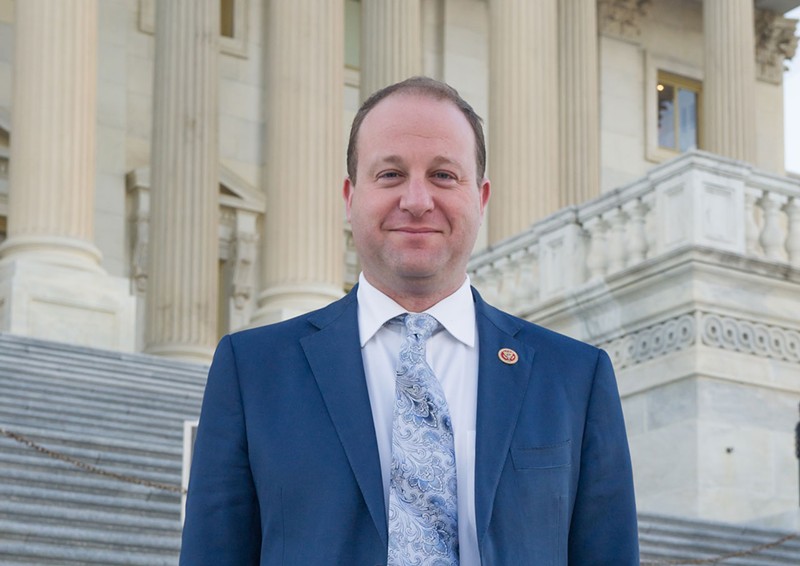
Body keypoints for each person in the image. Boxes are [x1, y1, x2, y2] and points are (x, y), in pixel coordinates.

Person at [179, 77, 639, 565]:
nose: (417, 201)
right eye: (390, 174)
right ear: (349, 195)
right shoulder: (252, 371)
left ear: (481, 199)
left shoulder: (573, 378)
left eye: (443, 175)